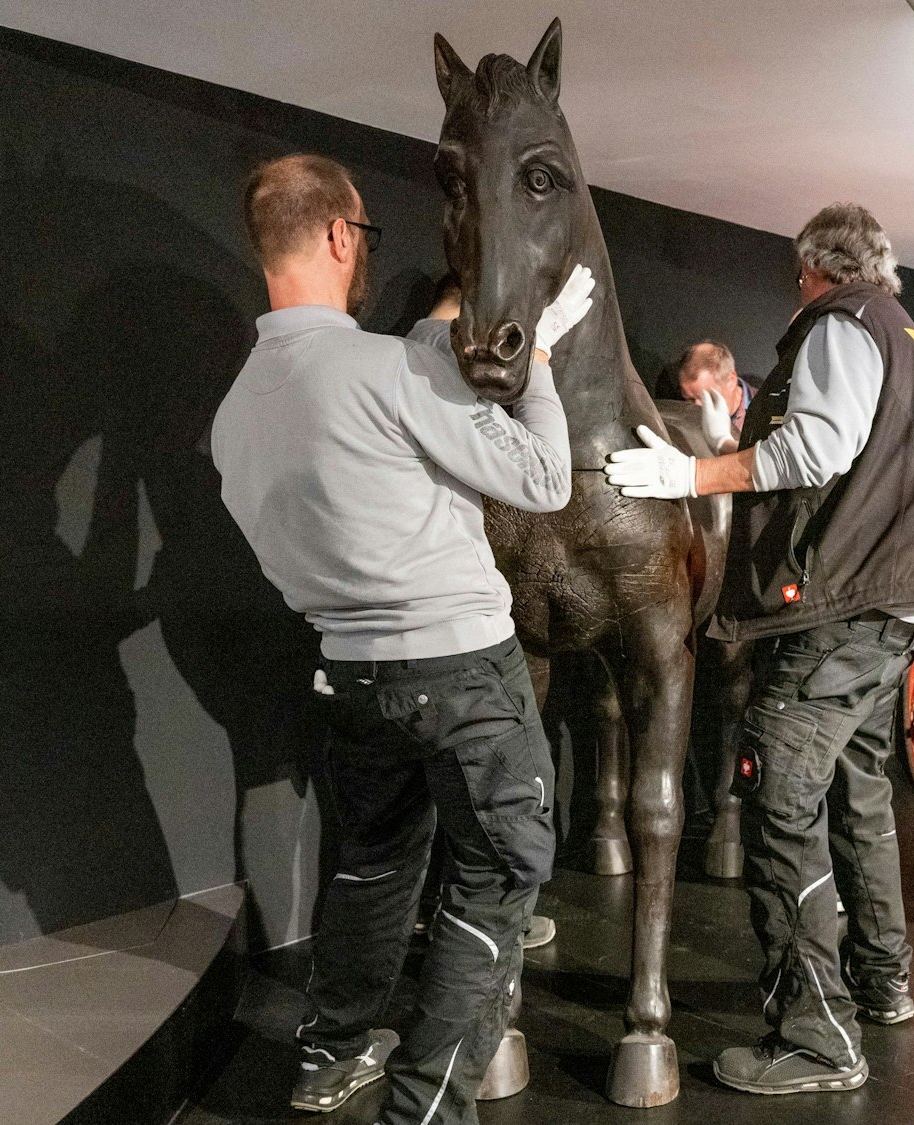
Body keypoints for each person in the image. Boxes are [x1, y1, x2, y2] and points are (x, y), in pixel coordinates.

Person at [212, 152, 593, 1124]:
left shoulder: (236, 413)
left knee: (374, 867)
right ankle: (424, 1111)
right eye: (366, 233)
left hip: (349, 675)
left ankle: (330, 1054)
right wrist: (540, 357)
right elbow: (545, 480)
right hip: (462, 675)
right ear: (341, 236)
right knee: (496, 876)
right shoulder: (386, 371)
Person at [603, 202, 914, 1095]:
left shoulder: (841, 324)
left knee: (777, 799)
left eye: (796, 277)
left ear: (815, 269)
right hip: (892, 606)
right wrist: (734, 442)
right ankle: (883, 983)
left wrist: (690, 472)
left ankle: (816, 1038)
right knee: (859, 788)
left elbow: (816, 448)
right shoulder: (902, 331)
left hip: (840, 612)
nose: (794, 290)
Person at [402, 272, 557, 954]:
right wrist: (542, 364)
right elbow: (545, 477)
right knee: (503, 851)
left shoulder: (388, 363)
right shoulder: (439, 374)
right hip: (460, 642)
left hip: (379, 645)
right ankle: (460, 1052)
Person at [673, 340, 758, 449]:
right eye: (689, 399)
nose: (697, 407)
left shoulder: (766, 412)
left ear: (731, 381)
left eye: (706, 398)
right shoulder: (679, 409)